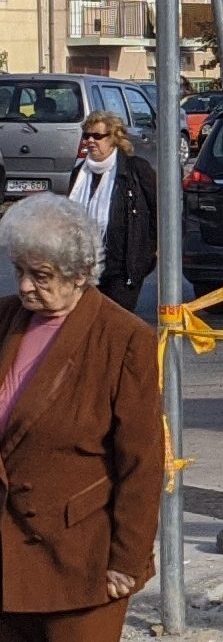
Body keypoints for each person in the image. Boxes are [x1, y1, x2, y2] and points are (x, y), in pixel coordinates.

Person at [0, 194, 162, 642]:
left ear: (78, 276)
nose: (27, 286)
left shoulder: (123, 338)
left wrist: (126, 560)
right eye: (20, 272)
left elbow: (141, 462)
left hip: (80, 560)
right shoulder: (6, 318)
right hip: (6, 552)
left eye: (41, 276)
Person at [64, 109, 156, 313]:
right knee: (87, 323)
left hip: (122, 269)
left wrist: (148, 254)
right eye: (86, 136)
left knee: (115, 323)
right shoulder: (80, 174)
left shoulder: (135, 170)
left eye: (97, 136)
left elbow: (160, 214)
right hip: (84, 268)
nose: (90, 141)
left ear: (114, 138)